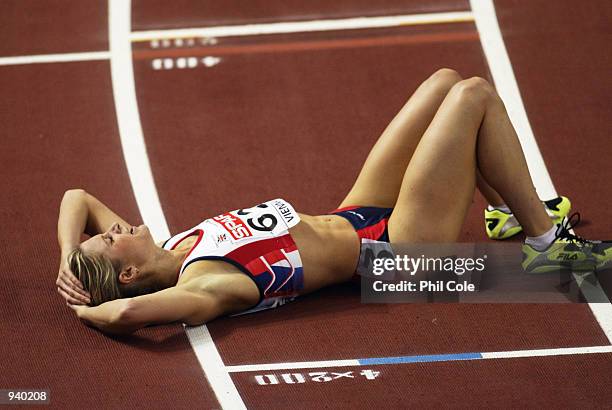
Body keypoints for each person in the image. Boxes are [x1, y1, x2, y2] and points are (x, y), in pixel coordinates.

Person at [57, 68, 610, 335]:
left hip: (355, 214)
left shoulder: (176, 245)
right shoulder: (207, 284)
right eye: (110, 238)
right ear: (128, 271)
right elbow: (128, 312)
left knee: (445, 82)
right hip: (398, 254)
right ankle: (546, 246)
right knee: (474, 97)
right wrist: (85, 308)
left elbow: (76, 196)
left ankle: (510, 215)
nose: (116, 225)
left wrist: (67, 257)